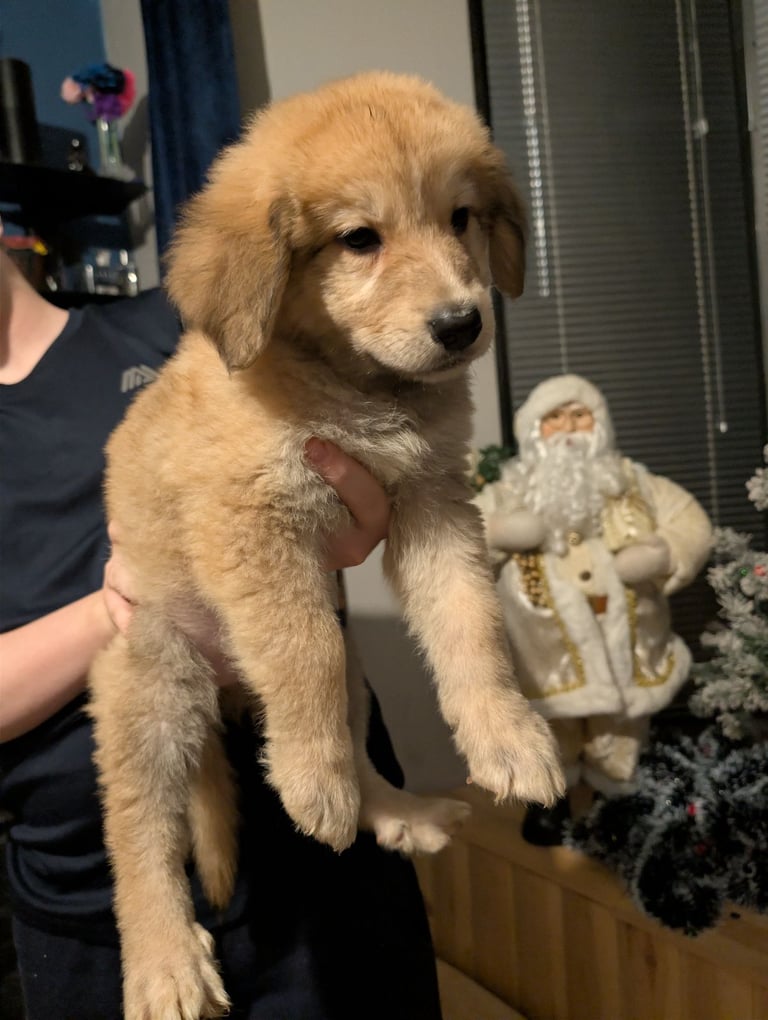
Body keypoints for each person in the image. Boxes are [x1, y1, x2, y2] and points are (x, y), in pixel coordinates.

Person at [0, 237, 443, 1020]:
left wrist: (349, 519)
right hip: (86, 901)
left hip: (325, 849)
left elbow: (341, 465)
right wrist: (127, 605)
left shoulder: (177, 321)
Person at [474, 374, 712, 845]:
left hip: (630, 642)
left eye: (580, 416)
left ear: (599, 424)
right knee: (550, 726)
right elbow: (461, 532)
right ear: (534, 430)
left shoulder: (631, 481)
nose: (568, 428)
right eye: (555, 418)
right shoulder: (512, 487)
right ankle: (550, 799)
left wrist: (662, 554)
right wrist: (497, 531)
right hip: (543, 651)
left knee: (621, 728)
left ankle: (614, 799)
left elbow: (690, 521)